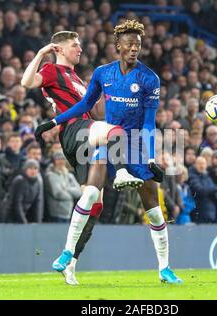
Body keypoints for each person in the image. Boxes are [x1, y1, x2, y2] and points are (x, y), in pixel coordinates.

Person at [35, 20, 182, 284]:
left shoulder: (150, 79)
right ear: (118, 46)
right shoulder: (103, 73)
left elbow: (149, 122)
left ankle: (165, 268)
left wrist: (150, 158)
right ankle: (67, 253)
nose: (134, 49)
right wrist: (55, 121)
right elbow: (85, 105)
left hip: (135, 144)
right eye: (129, 44)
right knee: (91, 193)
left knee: (154, 209)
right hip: (108, 141)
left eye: (137, 44)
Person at [21, 30, 142, 285]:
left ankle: (69, 260)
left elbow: (93, 108)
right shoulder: (53, 71)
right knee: (115, 133)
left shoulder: (76, 77)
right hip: (75, 131)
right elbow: (26, 83)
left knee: (93, 201)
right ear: (61, 49)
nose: (80, 49)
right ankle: (120, 173)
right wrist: (42, 54)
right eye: (75, 45)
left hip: (84, 134)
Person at [44, 151, 82, 223]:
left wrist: (66, 188)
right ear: (54, 161)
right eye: (58, 159)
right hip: (56, 213)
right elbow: (58, 193)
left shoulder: (69, 175)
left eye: (62, 159)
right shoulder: (51, 175)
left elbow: (79, 192)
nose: (60, 162)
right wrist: (71, 196)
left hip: (68, 213)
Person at [4, 159, 43, 223]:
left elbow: (38, 203)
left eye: (35, 168)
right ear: (25, 170)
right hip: (11, 216)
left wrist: (38, 222)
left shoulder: (38, 182)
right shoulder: (20, 180)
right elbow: (17, 204)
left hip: (25, 214)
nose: (33, 171)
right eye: (30, 168)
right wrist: (24, 222)